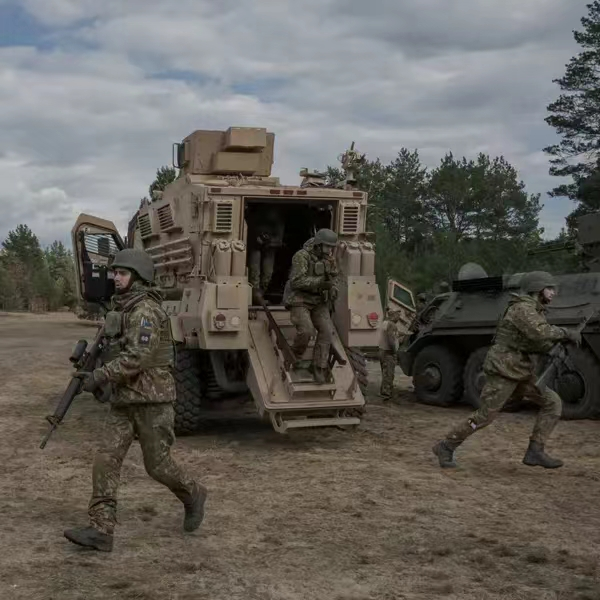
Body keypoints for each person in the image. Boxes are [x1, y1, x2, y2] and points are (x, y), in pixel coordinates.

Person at [63, 249, 207, 552]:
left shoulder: (145, 312)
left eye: (123, 273)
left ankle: (193, 493)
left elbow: (136, 359)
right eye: (115, 272)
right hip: (124, 401)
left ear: (139, 278)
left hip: (152, 401)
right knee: (106, 459)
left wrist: (99, 377)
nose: (116, 278)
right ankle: (101, 529)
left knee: (157, 465)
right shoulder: (123, 309)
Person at [432, 271, 581, 470]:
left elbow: (537, 342)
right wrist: (566, 333)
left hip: (520, 370)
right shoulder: (522, 308)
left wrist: (557, 347)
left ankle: (535, 451)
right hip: (504, 369)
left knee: (552, 402)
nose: (553, 293)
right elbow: (539, 333)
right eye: (549, 288)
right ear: (537, 289)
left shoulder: (535, 311)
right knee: (486, 416)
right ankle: (446, 445)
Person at [283, 228, 339, 384]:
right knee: (307, 331)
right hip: (300, 299)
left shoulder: (329, 259)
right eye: (327, 247)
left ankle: (318, 366)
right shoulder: (301, 256)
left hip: (319, 301)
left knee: (327, 332)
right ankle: (294, 357)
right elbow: (296, 281)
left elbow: (334, 278)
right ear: (319, 245)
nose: (330, 250)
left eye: (331, 247)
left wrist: (333, 289)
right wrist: (320, 283)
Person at [246, 207, 285, 303]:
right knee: (254, 272)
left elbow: (280, 241)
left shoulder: (278, 224)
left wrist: (268, 241)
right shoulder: (255, 219)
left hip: (269, 249)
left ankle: (260, 295)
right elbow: (248, 232)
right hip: (255, 247)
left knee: (267, 274)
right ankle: (255, 296)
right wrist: (256, 238)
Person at [378, 308, 407, 400]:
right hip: (388, 352)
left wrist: (403, 334)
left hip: (382, 350)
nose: (399, 317)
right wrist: (395, 351)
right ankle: (386, 393)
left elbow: (392, 334)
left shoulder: (384, 323)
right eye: (398, 315)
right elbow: (391, 340)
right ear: (393, 315)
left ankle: (383, 390)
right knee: (389, 373)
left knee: (385, 372)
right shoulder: (392, 325)